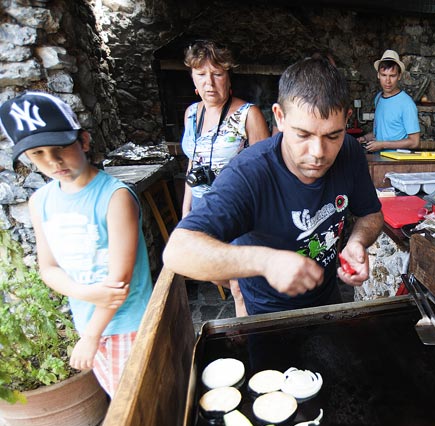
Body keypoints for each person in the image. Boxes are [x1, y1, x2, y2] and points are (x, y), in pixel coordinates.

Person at [163, 57, 384, 316]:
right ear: (279, 117)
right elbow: (178, 250)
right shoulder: (250, 173)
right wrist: (266, 261)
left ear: (346, 121)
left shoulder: (349, 152)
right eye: (303, 135)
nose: (318, 153)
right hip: (266, 312)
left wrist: (357, 242)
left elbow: (371, 213)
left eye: (332, 135)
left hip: (327, 299)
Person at [0, 91, 153, 398]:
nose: (52, 161)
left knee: (140, 401)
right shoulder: (40, 201)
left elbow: (118, 281)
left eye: (60, 148)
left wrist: (92, 335)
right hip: (89, 319)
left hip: (128, 323)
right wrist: (87, 296)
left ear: (83, 141)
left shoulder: (114, 196)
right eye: (38, 154)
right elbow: (49, 267)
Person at [181, 40, 270, 316]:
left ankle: (249, 341)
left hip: (236, 213)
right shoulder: (191, 114)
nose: (210, 83)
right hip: (201, 209)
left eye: (217, 74)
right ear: (193, 79)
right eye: (201, 75)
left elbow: (264, 172)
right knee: (205, 268)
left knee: (239, 286)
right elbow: (192, 162)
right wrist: (186, 208)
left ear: (228, 76)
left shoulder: (248, 115)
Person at [358, 50, 420, 152]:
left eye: (392, 76)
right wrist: (364, 138)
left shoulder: (407, 104)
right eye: (384, 75)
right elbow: (379, 134)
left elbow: (414, 142)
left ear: (399, 76)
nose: (387, 81)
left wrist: (382, 145)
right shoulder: (378, 98)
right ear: (378, 75)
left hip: (397, 164)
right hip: (379, 162)